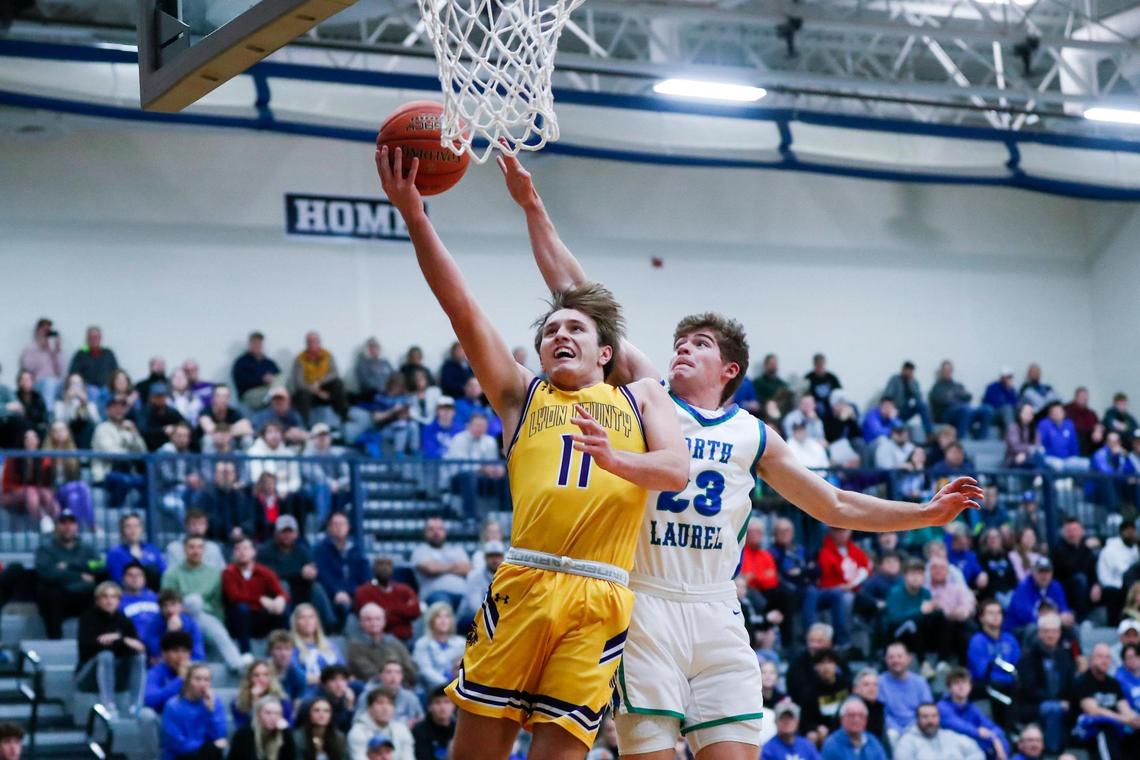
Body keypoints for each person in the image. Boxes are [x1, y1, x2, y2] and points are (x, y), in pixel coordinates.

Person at [381, 144, 690, 759]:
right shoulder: (521, 395)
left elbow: (676, 471)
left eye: (575, 328)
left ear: (607, 352)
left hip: (601, 595)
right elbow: (461, 308)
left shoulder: (643, 395)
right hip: (524, 579)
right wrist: (416, 218)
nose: (559, 335)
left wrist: (616, 460)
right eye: (550, 331)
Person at [161, 534, 248, 672]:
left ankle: (236, 664)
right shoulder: (171, 574)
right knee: (193, 601)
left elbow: (217, 602)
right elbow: (165, 601)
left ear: (204, 550)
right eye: (191, 547)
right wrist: (175, 615)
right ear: (184, 550)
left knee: (211, 624)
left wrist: (219, 620)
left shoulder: (214, 573)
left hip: (206, 617)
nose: (196, 551)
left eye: (199, 547)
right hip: (178, 615)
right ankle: (236, 662)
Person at [77, 581, 147, 718]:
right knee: (105, 656)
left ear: (119, 600)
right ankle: (108, 704)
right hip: (88, 674)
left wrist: (118, 639)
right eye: (105, 597)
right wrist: (123, 642)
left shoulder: (124, 620)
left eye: (114, 597)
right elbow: (87, 649)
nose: (109, 601)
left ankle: (136, 705)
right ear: (97, 600)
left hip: (117, 673)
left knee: (139, 658)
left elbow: (140, 647)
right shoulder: (88, 619)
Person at [259, 515, 335, 629]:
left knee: (316, 588)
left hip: (300, 591)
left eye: (290, 532)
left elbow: (311, 570)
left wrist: (312, 573)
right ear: (276, 533)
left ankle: (329, 624)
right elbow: (270, 575)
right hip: (275, 594)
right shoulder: (265, 551)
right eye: (283, 532)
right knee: (283, 585)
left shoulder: (303, 551)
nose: (287, 535)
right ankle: (286, 626)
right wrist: (299, 572)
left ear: (296, 534)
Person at [1015, 613, 1076, 754]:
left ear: (1059, 633)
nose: (1050, 635)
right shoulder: (1027, 657)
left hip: (1062, 703)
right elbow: (1029, 689)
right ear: (1039, 633)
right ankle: (1052, 753)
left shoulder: (1065, 656)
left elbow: (1071, 685)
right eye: (1046, 631)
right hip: (1032, 705)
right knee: (1053, 709)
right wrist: (1057, 702)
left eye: (1054, 631)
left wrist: (1069, 701)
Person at [34, 507, 98, 638]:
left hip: (83, 595)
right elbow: (48, 573)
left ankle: (94, 641)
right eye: (63, 523)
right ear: (57, 526)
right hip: (60, 596)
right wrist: (79, 575)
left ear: (77, 526)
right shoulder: (46, 549)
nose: (68, 527)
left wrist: (70, 565)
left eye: (71, 523)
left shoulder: (87, 548)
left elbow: (99, 565)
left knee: (103, 592)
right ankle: (55, 640)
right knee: (50, 593)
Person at [1072, 643, 1140, 757]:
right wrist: (1122, 719)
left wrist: (1135, 719)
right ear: (1092, 659)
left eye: (1108, 657)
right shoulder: (1082, 681)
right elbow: (1093, 711)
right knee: (1105, 730)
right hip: (1087, 731)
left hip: (1114, 729)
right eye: (1100, 656)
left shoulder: (1113, 684)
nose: (1104, 661)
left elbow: (1125, 709)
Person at [222, 537, 289, 653]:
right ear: (233, 553)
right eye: (238, 549)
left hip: (261, 617)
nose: (242, 552)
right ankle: (245, 653)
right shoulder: (228, 572)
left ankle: (281, 649)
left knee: (282, 609)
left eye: (246, 548)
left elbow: (281, 592)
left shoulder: (265, 571)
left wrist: (280, 599)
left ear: (254, 552)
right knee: (241, 608)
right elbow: (234, 596)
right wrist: (260, 599)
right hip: (238, 620)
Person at [444, 413, 509, 519]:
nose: (480, 428)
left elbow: (492, 463)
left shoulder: (490, 441)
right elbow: (460, 466)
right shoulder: (458, 439)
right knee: (468, 477)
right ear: (469, 425)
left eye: (483, 426)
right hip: (458, 479)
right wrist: (482, 468)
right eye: (477, 425)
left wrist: (498, 470)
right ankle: (470, 517)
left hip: (482, 478)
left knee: (505, 478)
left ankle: (505, 515)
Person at [314, 512, 370, 633]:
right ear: (328, 527)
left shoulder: (357, 549)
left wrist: (351, 593)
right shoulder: (320, 549)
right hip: (331, 594)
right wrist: (337, 592)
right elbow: (322, 575)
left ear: (348, 527)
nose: (339, 527)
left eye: (342, 524)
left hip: (354, 593)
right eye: (335, 524)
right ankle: (334, 631)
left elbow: (365, 575)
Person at [817, 528, 872, 647]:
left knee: (873, 602)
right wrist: (844, 587)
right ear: (832, 532)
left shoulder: (854, 549)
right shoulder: (825, 552)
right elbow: (827, 579)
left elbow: (866, 567)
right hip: (836, 592)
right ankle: (843, 638)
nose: (842, 535)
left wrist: (853, 583)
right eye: (838, 531)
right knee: (846, 599)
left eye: (844, 531)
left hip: (856, 589)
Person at [161, 663, 229, 760]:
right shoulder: (173, 705)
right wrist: (207, 746)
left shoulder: (214, 702)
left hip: (207, 755)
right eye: (197, 679)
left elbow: (220, 736)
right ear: (187, 681)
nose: (202, 684)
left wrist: (210, 712)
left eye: (206, 680)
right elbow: (177, 745)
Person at [936, 669, 1008, 759]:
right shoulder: (942, 706)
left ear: (970, 686)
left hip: (974, 750)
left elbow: (993, 728)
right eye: (956, 683)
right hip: (952, 750)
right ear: (949, 688)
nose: (961, 686)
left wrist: (995, 738)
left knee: (1001, 740)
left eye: (964, 683)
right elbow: (959, 726)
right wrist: (979, 732)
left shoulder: (971, 707)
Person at [965, 600, 1019, 720]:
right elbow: (982, 672)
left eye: (998, 613)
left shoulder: (1010, 639)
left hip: (1010, 681)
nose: (996, 616)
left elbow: (1018, 665)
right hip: (986, 684)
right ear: (981, 618)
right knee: (999, 690)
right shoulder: (977, 641)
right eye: (991, 613)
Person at [91, 394, 148, 507]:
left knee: (149, 482)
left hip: (128, 472)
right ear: (107, 410)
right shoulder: (102, 428)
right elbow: (111, 453)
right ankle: (114, 509)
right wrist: (129, 453)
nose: (119, 410)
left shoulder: (129, 428)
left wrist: (134, 433)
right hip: (107, 473)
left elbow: (142, 452)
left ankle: (137, 512)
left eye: (122, 407)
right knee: (123, 481)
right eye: (115, 407)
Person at [0, 427, 58, 530]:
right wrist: (28, 489)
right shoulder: (13, 459)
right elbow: (7, 486)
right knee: (31, 492)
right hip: (9, 495)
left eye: (34, 437)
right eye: (27, 438)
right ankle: (42, 522)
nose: (31, 440)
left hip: (33, 493)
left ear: (38, 440)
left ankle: (58, 525)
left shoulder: (44, 459)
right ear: (22, 441)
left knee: (47, 494)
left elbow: (47, 483)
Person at [353, 557, 421, 644]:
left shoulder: (405, 589)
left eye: (388, 564)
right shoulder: (363, 591)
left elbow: (416, 611)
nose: (385, 568)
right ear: (373, 568)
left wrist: (388, 610)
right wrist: (403, 611)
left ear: (393, 568)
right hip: (378, 641)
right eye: (381, 564)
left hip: (406, 639)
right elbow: (370, 619)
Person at [346, 603, 417, 686]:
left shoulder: (394, 642)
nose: (373, 623)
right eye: (368, 620)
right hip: (373, 687)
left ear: (384, 621)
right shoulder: (355, 646)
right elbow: (367, 672)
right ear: (361, 622)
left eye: (377, 619)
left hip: (402, 684)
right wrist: (393, 681)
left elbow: (410, 667)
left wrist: (400, 681)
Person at [409, 518, 470, 610]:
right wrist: (455, 565)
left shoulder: (456, 549)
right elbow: (430, 569)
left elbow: (467, 568)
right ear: (425, 533)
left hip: (464, 594)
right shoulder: (420, 550)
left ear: (445, 532)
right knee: (443, 608)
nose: (436, 532)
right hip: (435, 595)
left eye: (440, 529)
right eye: (431, 529)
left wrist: (440, 566)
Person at [1051, 516, 1101, 623]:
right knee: (1080, 579)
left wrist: (1096, 585)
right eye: (1068, 531)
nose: (1072, 534)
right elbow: (1070, 569)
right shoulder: (1058, 549)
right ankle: (1082, 619)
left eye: (1074, 530)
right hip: (1064, 589)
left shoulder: (1086, 549)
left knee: (1110, 590)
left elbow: (1092, 571)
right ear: (1063, 533)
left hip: (1085, 588)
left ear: (1082, 531)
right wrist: (1081, 548)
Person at [879, 642, 932, 741]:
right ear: (886, 660)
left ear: (909, 658)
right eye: (891, 657)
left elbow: (926, 709)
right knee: (891, 735)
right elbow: (883, 714)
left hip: (916, 726)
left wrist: (911, 728)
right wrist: (898, 729)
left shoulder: (920, 682)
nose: (895, 660)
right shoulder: (880, 682)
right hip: (891, 729)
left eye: (899, 656)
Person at [292, 331, 349, 424]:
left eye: (315, 341)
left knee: (338, 383)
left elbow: (334, 373)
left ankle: (344, 416)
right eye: (309, 342)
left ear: (319, 342)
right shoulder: (299, 359)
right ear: (306, 344)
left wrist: (320, 382)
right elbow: (298, 382)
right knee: (301, 394)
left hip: (323, 386)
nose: (312, 344)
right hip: (309, 390)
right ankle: (305, 424)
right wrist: (317, 392)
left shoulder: (327, 355)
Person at [893, 703, 984, 760]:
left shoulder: (950, 736)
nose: (930, 721)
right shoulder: (906, 742)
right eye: (925, 717)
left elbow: (977, 753)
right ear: (917, 719)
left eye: (934, 716)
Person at [929, 361, 993, 441]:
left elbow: (968, 396)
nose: (948, 372)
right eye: (945, 370)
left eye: (949, 370)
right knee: (965, 409)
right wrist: (957, 396)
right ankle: (961, 439)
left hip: (965, 411)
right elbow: (943, 400)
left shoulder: (957, 385)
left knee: (987, 409)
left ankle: (981, 439)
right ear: (941, 371)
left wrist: (954, 395)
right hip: (948, 415)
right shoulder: (937, 387)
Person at [301, 424, 351, 526]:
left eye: (325, 435)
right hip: (312, 489)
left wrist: (338, 484)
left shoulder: (337, 453)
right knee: (323, 487)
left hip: (336, 487)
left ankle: (354, 525)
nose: (322, 438)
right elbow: (315, 475)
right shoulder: (307, 454)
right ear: (313, 438)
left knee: (359, 489)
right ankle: (323, 524)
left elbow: (348, 475)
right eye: (319, 436)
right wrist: (330, 483)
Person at [1006, 556, 1072, 632]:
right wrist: (1053, 619)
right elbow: (1025, 616)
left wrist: (1066, 616)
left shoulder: (1056, 586)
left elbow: (1063, 608)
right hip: (1019, 628)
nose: (1044, 576)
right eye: (1041, 572)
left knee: (1071, 628)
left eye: (1047, 572)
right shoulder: (1024, 587)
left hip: (1048, 625)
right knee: (1034, 629)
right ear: (1033, 572)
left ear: (1052, 573)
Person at [348, 687, 415, 760]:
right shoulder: (358, 732)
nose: (385, 708)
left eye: (389, 703)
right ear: (369, 708)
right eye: (380, 703)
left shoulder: (402, 729)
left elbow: (408, 757)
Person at [411, 601, 465, 692]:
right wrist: (448, 684)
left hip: (458, 688)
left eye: (447, 616)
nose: (443, 620)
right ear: (431, 621)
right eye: (438, 617)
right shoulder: (422, 644)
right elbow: (425, 671)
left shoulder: (461, 643)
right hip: (431, 690)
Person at [290, 603, 344, 692]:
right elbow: (297, 676)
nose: (307, 621)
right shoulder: (291, 647)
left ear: (317, 621)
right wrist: (326, 682)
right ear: (296, 622)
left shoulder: (330, 645)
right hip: (310, 689)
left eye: (311, 617)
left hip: (336, 687)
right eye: (302, 617)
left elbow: (342, 669)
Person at [142, 588, 206, 663]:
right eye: (165, 606)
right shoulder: (153, 625)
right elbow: (156, 652)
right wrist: (170, 633)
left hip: (188, 665)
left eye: (173, 604)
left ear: (181, 606)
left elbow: (198, 654)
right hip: (164, 665)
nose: (170, 610)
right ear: (160, 608)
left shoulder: (191, 624)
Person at [228, 695, 297, 760]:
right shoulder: (243, 735)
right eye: (268, 713)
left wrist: (286, 732)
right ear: (258, 714)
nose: (273, 717)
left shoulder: (284, 734)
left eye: (277, 713)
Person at [106, 512, 166, 588]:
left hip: (154, 593)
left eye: (136, 526)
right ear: (122, 530)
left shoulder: (152, 549)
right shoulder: (115, 553)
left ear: (141, 529)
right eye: (128, 526)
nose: (133, 529)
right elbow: (117, 580)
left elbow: (164, 573)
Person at [1098, 520, 1139, 624]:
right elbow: (1125, 572)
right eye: (1129, 531)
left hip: (1128, 587)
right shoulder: (1111, 549)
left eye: (1134, 531)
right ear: (1122, 532)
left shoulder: (1134, 548)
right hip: (1112, 586)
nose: (1132, 534)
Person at [232, 659, 293, 730]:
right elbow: (242, 730)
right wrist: (255, 702)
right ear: (249, 679)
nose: (261, 679)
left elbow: (288, 727)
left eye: (266, 675)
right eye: (256, 675)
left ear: (271, 678)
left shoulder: (282, 699)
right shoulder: (238, 701)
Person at [820, 697, 889, 760]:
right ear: (842, 719)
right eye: (851, 715)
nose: (856, 720)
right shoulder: (832, 745)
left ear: (866, 720)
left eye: (861, 716)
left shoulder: (872, 742)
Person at [457, 540, 505, 630]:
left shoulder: (507, 576)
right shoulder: (474, 575)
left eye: (497, 556)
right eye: (491, 556)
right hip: (468, 618)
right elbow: (476, 608)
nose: (494, 560)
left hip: (496, 617)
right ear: (485, 558)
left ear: (503, 557)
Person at [233, 331, 284, 410]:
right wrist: (262, 379)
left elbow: (280, 376)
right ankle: (274, 394)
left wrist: (272, 379)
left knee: (284, 378)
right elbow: (241, 380)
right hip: (251, 393)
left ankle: (274, 394)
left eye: (259, 343)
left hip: (269, 389)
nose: (257, 345)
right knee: (279, 393)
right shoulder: (242, 362)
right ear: (249, 344)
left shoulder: (268, 362)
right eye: (254, 343)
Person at [196, 385, 253, 453]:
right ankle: (208, 463)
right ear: (213, 398)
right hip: (209, 446)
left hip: (230, 444)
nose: (223, 399)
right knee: (208, 439)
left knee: (247, 439)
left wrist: (225, 433)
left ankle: (244, 463)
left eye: (226, 396)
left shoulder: (233, 412)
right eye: (219, 396)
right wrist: (232, 430)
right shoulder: (205, 411)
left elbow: (248, 429)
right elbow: (209, 429)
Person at [885, 361, 933, 437]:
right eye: (908, 370)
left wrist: (910, 383)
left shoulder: (914, 382)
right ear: (903, 370)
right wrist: (891, 409)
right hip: (895, 410)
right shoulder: (895, 379)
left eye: (911, 371)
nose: (909, 373)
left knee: (922, 405)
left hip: (906, 410)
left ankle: (929, 433)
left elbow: (918, 397)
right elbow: (887, 396)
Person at [1036, 402, 1088, 472]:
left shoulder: (1069, 424)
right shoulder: (1044, 424)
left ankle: (1075, 482)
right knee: (1058, 465)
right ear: (1050, 414)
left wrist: (1075, 458)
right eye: (1055, 412)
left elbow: (1074, 444)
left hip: (1068, 460)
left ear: (1064, 413)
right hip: (1051, 459)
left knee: (1086, 464)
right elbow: (1040, 445)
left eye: (1060, 411)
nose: (1058, 414)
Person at [68, 325, 119, 395]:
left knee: (108, 393)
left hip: (106, 387)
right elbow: (73, 373)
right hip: (87, 388)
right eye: (91, 337)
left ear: (100, 338)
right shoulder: (80, 354)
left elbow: (116, 372)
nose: (94, 339)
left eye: (96, 337)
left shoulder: (108, 353)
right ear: (87, 339)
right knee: (93, 392)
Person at [294, 695, 348, 760]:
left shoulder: (339, 738)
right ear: (308, 714)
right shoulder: (298, 738)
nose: (322, 714)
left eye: (326, 711)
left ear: (331, 715)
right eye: (316, 710)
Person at [412, 685, 456, 760]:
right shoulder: (419, 731)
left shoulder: (458, 729)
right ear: (429, 707)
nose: (442, 707)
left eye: (447, 702)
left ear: (454, 706)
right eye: (437, 702)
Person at [1003, 403, 1043, 468]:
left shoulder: (1034, 430)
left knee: (1041, 458)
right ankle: (1038, 477)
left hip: (1029, 458)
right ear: (1020, 414)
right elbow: (1015, 446)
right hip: (1013, 458)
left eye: (1031, 413)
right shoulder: (1013, 428)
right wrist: (1029, 449)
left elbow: (1037, 445)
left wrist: (1025, 454)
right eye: (1027, 413)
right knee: (1037, 460)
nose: (1029, 415)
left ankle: (1038, 477)